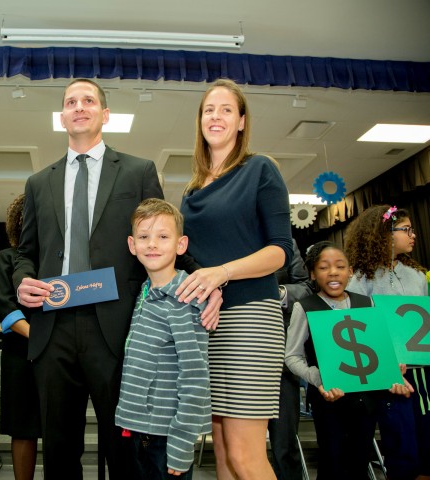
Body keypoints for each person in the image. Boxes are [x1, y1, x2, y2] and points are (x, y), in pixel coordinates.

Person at [13, 78, 220, 479]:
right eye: (71, 102)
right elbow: (26, 253)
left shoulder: (138, 170)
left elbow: (162, 237)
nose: (79, 107)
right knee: (59, 450)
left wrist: (206, 281)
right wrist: (23, 280)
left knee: (123, 449)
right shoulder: (39, 183)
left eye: (88, 100)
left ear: (104, 114)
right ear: (61, 117)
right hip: (52, 326)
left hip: (117, 327)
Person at [178, 78, 293, 480]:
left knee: (246, 455)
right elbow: (191, 263)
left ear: (242, 122)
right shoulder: (191, 193)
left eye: (226, 109)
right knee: (223, 451)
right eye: (209, 109)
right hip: (206, 324)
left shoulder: (260, 169)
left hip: (250, 319)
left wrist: (222, 273)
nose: (216, 116)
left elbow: (281, 250)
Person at [285, 241, 413, 479]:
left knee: (359, 459)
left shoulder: (367, 304)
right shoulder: (306, 307)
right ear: (312, 274)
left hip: (366, 401)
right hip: (328, 402)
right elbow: (291, 356)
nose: (333, 272)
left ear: (350, 271)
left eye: (340, 266)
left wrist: (393, 372)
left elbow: (379, 349)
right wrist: (317, 377)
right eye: (324, 267)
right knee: (332, 461)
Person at [115, 198, 211, 479]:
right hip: (137, 429)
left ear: (181, 245)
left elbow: (194, 375)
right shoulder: (144, 292)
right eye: (144, 237)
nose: (152, 244)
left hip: (167, 438)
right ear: (133, 245)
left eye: (163, 236)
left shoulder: (185, 298)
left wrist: (182, 444)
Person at [345, 205, 429, 480]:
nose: (412, 235)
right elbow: (359, 330)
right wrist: (388, 367)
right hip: (390, 377)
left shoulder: (417, 275)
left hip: (423, 373)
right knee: (402, 447)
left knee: (427, 443)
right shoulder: (361, 279)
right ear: (385, 234)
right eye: (406, 229)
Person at [0, 193, 42, 480]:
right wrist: (42, 337)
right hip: (19, 355)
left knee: (58, 429)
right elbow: (8, 312)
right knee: (24, 429)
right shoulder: (7, 258)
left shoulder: (59, 260)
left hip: (57, 356)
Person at [268, 239, 313, 480]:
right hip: (234, 353)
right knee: (237, 446)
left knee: (284, 442)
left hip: (280, 358)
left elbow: (306, 287)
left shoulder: (285, 243)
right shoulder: (228, 238)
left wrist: (279, 293)